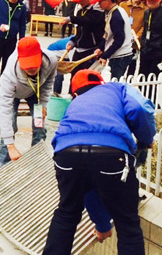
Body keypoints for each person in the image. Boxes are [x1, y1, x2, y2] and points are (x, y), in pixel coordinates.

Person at [42, 69, 156, 255]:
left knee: (67, 213)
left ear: (75, 94)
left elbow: (89, 186)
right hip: (111, 154)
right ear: (101, 83)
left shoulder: (75, 103)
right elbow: (139, 108)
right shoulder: (117, 88)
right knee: (127, 224)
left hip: (67, 153)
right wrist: (146, 138)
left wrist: (102, 225)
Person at [0, 36, 57, 166]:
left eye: (34, 66)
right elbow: (4, 111)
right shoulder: (8, 78)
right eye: (27, 67)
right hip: (14, 94)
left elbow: (48, 83)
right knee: (11, 125)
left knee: (39, 125)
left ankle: (37, 159)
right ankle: (4, 164)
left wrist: (44, 104)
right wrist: (10, 145)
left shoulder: (51, 60)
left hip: (36, 93)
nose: (31, 70)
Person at [61, 0, 105, 78]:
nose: (79, 2)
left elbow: (88, 21)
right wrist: (73, 42)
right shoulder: (80, 11)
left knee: (88, 79)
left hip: (92, 52)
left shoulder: (98, 11)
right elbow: (80, 31)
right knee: (74, 78)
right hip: (78, 51)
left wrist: (71, 18)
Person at [93, 0, 133, 80]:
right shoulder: (115, 11)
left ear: (107, 0)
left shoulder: (116, 16)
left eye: (100, 2)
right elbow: (107, 35)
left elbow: (119, 39)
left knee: (114, 82)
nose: (99, 4)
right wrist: (101, 47)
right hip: (119, 54)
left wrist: (105, 55)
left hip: (120, 55)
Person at [120, 0, 146, 75]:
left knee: (132, 65)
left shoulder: (145, 9)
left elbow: (144, 26)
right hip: (122, 41)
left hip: (135, 43)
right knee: (120, 66)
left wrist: (136, 37)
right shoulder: (123, 5)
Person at [139, 0, 162, 76]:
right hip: (146, 50)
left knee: (153, 77)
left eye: (154, 0)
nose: (151, 2)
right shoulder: (147, 12)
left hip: (158, 52)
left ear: (160, 0)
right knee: (142, 76)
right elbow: (145, 30)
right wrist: (143, 45)